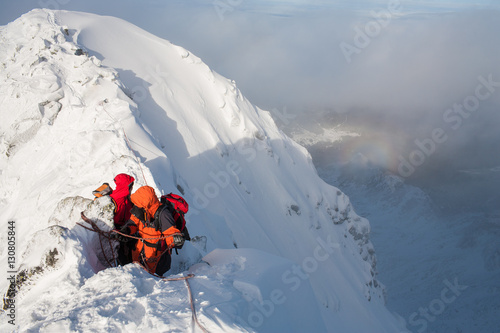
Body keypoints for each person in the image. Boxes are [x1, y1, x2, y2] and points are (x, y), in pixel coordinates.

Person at [117, 186, 189, 276]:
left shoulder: (163, 214)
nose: (137, 205)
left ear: (145, 202)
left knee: (153, 281)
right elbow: (133, 223)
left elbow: (171, 233)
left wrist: (176, 239)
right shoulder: (142, 210)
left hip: (156, 259)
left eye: (139, 203)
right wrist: (126, 230)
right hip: (140, 252)